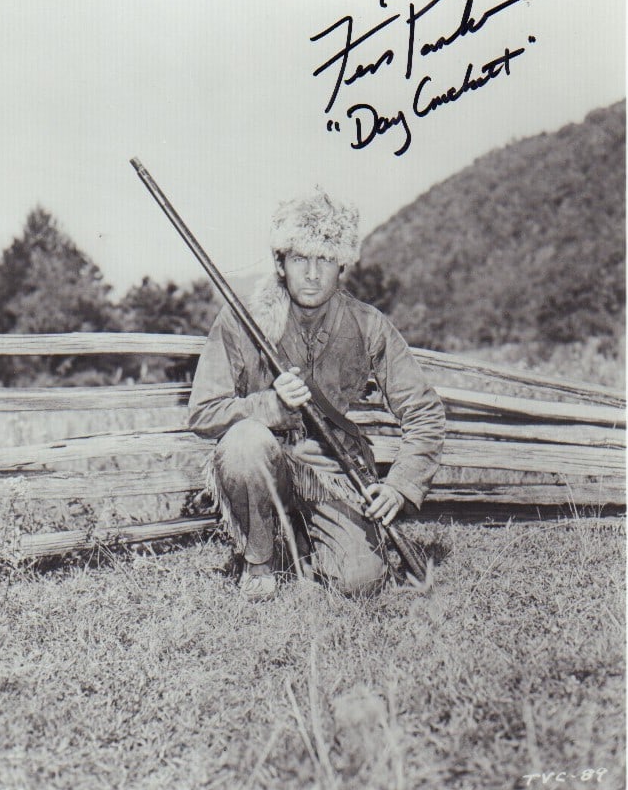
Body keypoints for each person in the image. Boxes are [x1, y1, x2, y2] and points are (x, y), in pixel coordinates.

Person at [187, 190, 445, 600]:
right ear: (280, 263)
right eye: (300, 258)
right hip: (263, 461)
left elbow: (424, 412)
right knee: (245, 442)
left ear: (341, 264)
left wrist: (399, 485)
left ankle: (304, 538)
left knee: (361, 580)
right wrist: (271, 406)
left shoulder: (367, 325)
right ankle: (259, 564)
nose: (311, 273)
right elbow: (203, 412)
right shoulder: (242, 320)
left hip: (330, 473)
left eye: (324, 259)